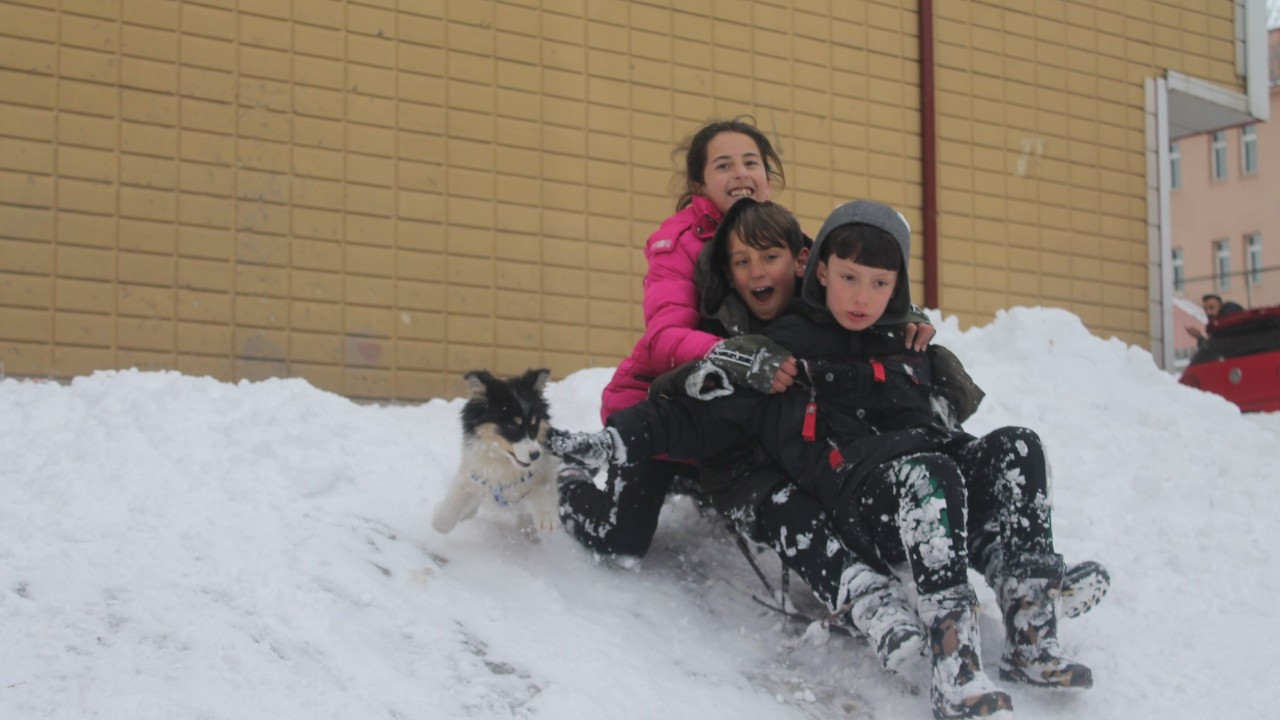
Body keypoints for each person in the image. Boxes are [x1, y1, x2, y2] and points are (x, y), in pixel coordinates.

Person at [552, 199, 1100, 719]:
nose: (862, 296)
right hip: (862, 498)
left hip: (931, 476)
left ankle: (1032, 632)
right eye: (849, 278)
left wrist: (935, 363)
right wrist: (614, 442)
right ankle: (956, 668)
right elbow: (696, 411)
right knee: (929, 476)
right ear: (819, 271)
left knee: (1018, 446)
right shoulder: (784, 349)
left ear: (897, 287)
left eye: (880, 284)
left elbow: (945, 416)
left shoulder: (904, 340)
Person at [557, 117, 936, 673]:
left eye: (751, 162)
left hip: (745, 412)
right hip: (666, 408)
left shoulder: (787, 237)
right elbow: (664, 339)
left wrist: (907, 317)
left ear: (769, 175)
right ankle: (568, 480)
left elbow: (853, 280)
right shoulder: (678, 243)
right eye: (723, 164)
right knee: (620, 541)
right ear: (698, 183)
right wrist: (732, 355)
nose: (740, 172)